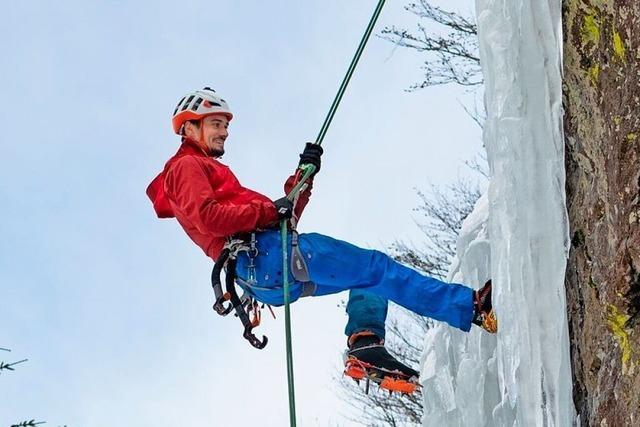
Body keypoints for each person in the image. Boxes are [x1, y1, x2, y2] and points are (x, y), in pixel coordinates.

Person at [146, 87, 496, 389]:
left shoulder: (211, 172)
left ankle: (365, 344)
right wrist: (270, 211)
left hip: (264, 273)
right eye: (216, 124)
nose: (224, 133)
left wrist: (303, 177)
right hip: (265, 257)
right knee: (375, 266)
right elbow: (210, 218)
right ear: (190, 127)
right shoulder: (185, 168)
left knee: (370, 274)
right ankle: (472, 308)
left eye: (224, 125)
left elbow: (283, 218)